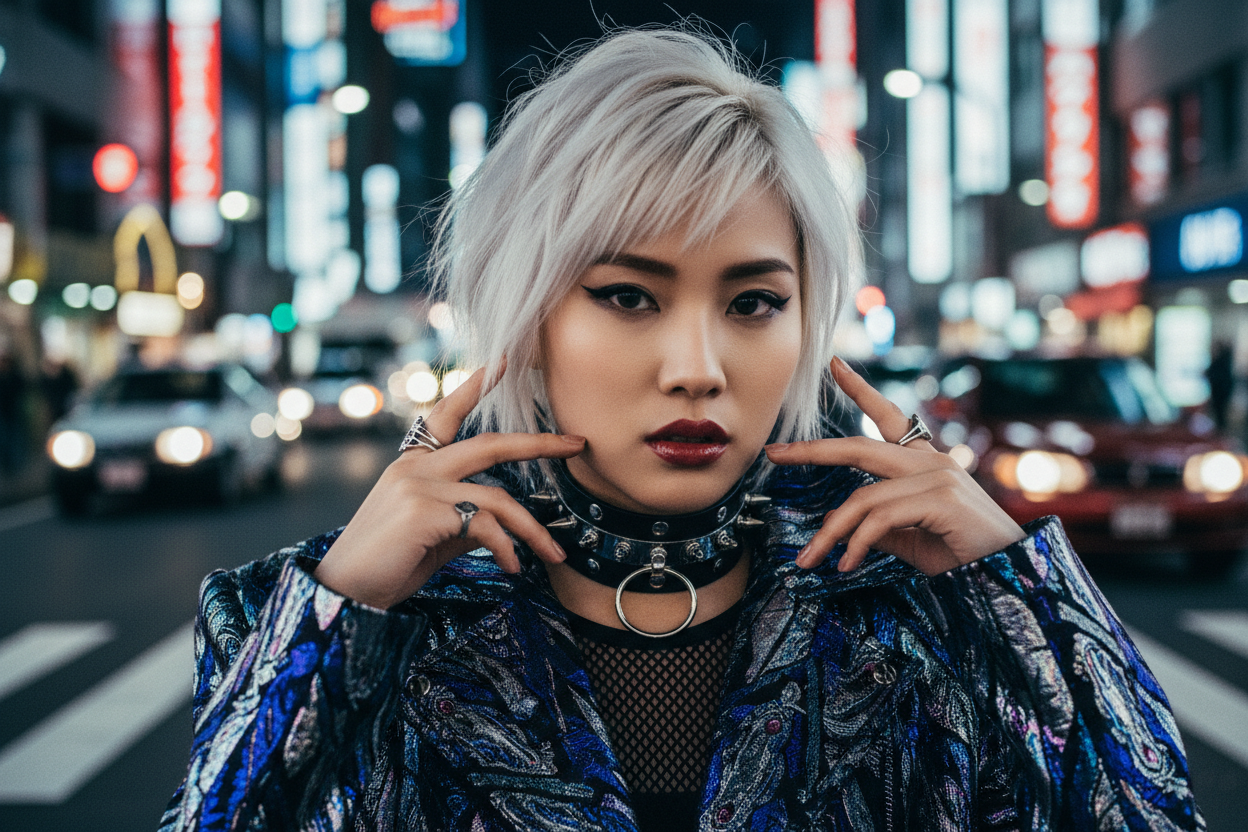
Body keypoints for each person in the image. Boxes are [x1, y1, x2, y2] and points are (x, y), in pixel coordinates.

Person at [161, 28, 1202, 831]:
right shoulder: (331, 619)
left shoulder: (922, 613)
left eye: (753, 302)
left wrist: (1011, 583)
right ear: (530, 316)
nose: (698, 366)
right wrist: (346, 606)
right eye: (627, 295)